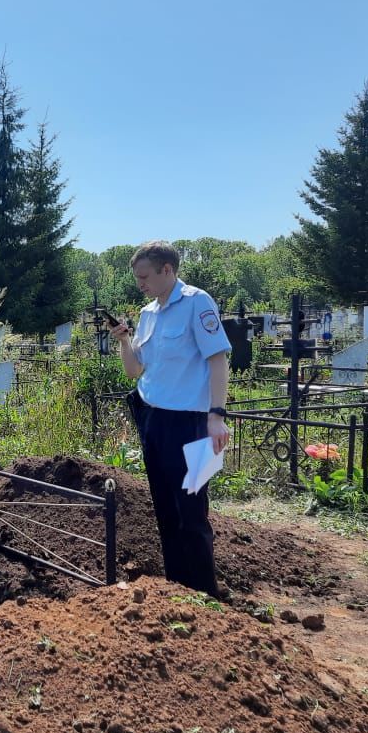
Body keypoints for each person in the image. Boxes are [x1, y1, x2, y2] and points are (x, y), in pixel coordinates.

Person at [109, 241, 231, 597]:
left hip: (192, 424)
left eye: (145, 276)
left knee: (191, 511)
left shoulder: (197, 303)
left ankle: (205, 593)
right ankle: (177, 589)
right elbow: (135, 370)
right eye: (137, 278)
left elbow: (218, 360)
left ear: (168, 270)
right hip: (154, 420)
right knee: (164, 507)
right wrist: (124, 341)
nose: (140, 284)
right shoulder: (149, 313)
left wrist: (216, 415)